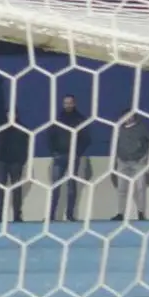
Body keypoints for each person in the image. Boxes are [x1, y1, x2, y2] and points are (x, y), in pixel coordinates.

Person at [47, 94, 93, 223]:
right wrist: (53, 152)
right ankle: (51, 215)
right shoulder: (57, 119)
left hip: (73, 157)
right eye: (65, 102)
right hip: (59, 156)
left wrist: (77, 152)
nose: (68, 105)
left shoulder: (80, 119)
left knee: (71, 187)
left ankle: (70, 215)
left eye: (70, 102)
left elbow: (86, 139)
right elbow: (50, 136)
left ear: (74, 103)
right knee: (55, 186)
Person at [111, 108, 149, 222]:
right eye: (125, 116)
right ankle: (120, 214)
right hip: (123, 162)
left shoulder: (142, 129)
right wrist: (117, 160)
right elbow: (115, 145)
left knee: (140, 189)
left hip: (138, 163)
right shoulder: (119, 129)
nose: (127, 118)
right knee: (121, 189)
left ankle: (141, 213)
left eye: (129, 116)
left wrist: (145, 158)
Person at [0, 119, 32, 224]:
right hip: (1, 161)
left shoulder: (22, 129)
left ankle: (17, 215)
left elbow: (26, 145)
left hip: (16, 162)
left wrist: (22, 160)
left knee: (16, 189)